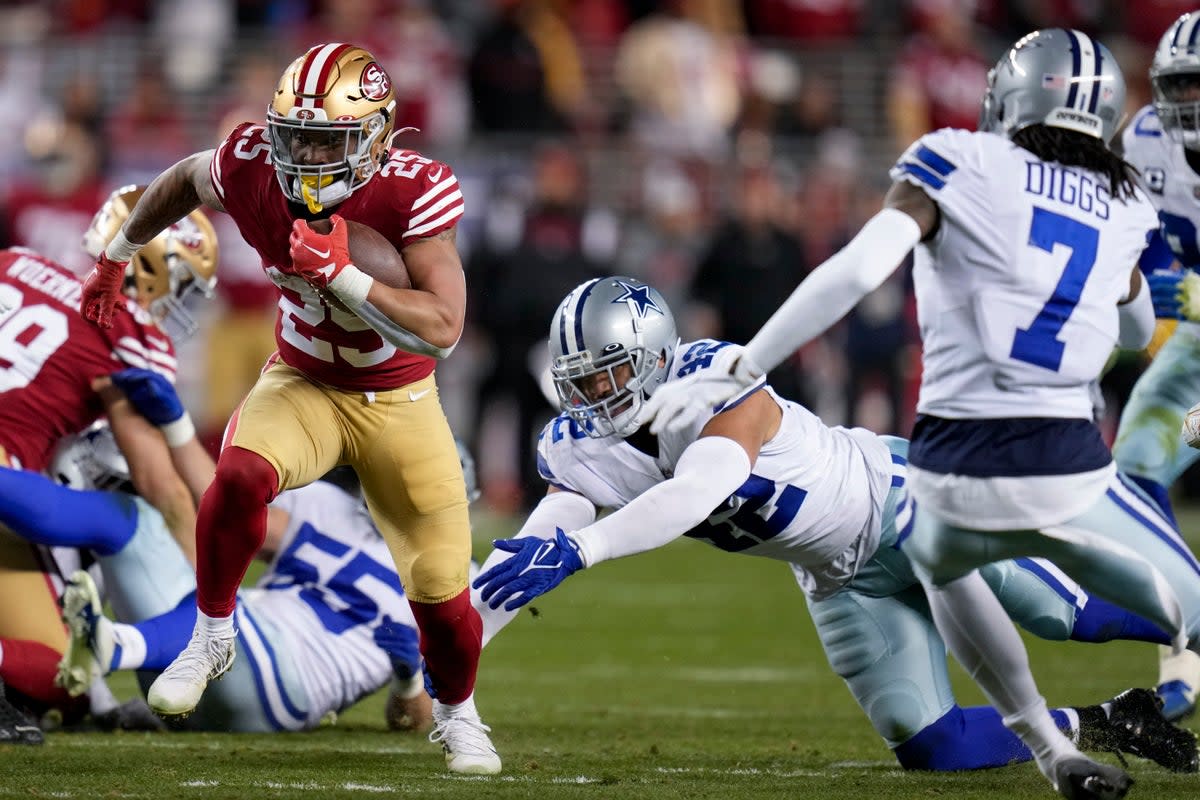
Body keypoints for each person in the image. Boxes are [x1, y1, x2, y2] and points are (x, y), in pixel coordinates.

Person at [641, 29, 1200, 799]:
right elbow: (1137, 334)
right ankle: (1093, 715)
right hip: (1058, 459)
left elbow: (861, 267)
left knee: (959, 570)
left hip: (944, 473)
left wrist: (745, 362)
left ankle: (1048, 741)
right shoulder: (1125, 197)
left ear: (1011, 94)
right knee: (1154, 608)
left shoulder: (958, 158)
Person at [471, 275, 1198, 775]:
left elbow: (701, 488)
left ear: (657, 356)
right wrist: (459, 653)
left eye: (607, 376)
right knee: (933, 748)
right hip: (838, 576)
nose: (594, 398)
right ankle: (1107, 720)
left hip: (905, 508)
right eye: (581, 382)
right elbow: (552, 522)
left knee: (1065, 615)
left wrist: (584, 549)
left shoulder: (717, 378)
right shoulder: (585, 441)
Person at [75, 43, 498, 774]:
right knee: (237, 476)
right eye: (292, 135)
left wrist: (346, 278)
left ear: (374, 137)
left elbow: (444, 328)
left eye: (324, 141)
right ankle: (213, 634)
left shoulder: (412, 191)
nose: (302, 155)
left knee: (442, 597)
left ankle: (460, 715)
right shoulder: (251, 163)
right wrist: (118, 250)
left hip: (399, 399)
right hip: (302, 381)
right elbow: (181, 180)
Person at [0, 412, 441, 734]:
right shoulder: (336, 511)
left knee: (213, 599)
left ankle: (114, 648)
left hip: (272, 671)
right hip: (203, 685)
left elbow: (420, 718)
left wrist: (407, 680)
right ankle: (111, 656)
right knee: (175, 562)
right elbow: (226, 510)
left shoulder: (458, 573)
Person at [0, 183, 216, 729]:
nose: (178, 301)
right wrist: (214, 587)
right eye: (182, 282)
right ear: (151, 264)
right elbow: (160, 485)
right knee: (58, 679)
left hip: (16, 480)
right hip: (9, 479)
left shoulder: (16, 262)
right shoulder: (127, 333)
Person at [1111, 9, 1200, 722]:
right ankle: (1186, 648)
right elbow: (1127, 244)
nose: (1187, 102)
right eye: (1181, 85)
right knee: (1136, 466)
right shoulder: (1145, 139)